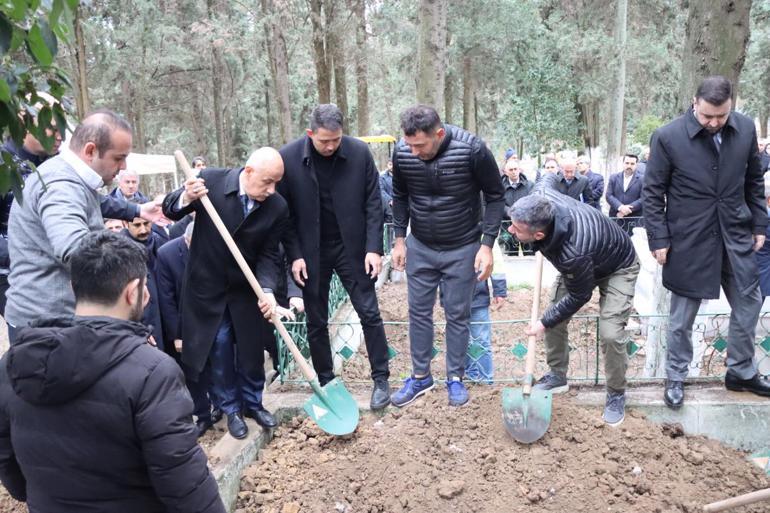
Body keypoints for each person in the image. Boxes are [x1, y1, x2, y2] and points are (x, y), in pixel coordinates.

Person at [0, 231, 225, 513]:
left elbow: (8, 463)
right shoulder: (152, 372)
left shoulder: (14, 362)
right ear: (135, 293)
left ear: (73, 287)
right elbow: (183, 482)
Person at [643, 75, 770, 409]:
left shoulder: (744, 129)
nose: (714, 123)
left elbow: (754, 182)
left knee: (750, 300)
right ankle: (675, 376)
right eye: (707, 116)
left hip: (735, 234)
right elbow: (653, 192)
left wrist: (760, 223)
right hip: (689, 240)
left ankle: (740, 371)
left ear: (732, 107)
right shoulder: (668, 137)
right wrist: (659, 237)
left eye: (721, 116)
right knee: (682, 317)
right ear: (694, 102)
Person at [163, 147, 286, 439]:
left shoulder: (277, 207)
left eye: (276, 183)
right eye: (267, 182)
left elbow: (270, 255)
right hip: (208, 289)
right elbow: (170, 209)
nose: (271, 190)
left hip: (246, 290)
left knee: (251, 350)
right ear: (249, 171)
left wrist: (267, 290)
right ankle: (230, 408)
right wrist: (186, 197)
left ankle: (253, 403)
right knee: (218, 349)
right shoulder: (211, 183)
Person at [390, 104, 504, 407]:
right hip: (421, 246)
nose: (413, 151)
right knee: (418, 313)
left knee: (457, 314)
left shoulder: (473, 149)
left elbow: (495, 196)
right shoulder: (402, 153)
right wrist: (400, 241)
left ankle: (455, 378)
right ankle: (420, 377)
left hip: (463, 246)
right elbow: (400, 197)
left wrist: (486, 245)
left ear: (438, 133)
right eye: (409, 144)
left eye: (420, 145)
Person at [278, 104, 391, 410]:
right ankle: (326, 380)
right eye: (323, 141)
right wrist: (295, 256)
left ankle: (381, 379)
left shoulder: (358, 153)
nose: (330, 147)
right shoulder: (288, 158)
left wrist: (373, 248)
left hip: (352, 248)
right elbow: (284, 215)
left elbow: (373, 203)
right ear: (310, 134)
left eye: (336, 140)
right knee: (316, 319)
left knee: (369, 313)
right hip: (311, 251)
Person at [509, 184, 639, 425]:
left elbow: (580, 296)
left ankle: (616, 393)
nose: (509, 229)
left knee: (611, 333)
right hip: (587, 260)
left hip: (618, 266)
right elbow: (549, 177)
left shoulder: (573, 252)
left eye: (516, 228)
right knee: (554, 320)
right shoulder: (541, 194)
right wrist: (548, 321)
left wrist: (542, 323)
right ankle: (558, 375)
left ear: (539, 235)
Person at [4, 109, 135, 340]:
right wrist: (130, 275)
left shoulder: (71, 178)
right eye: (118, 158)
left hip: (56, 322)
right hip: (47, 330)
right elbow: (75, 248)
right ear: (91, 150)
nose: (123, 167)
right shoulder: (61, 183)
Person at [156, 221, 221, 437]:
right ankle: (202, 415)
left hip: (211, 319)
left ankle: (221, 405)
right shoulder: (167, 255)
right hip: (184, 324)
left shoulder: (214, 248)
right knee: (193, 373)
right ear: (186, 240)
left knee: (219, 366)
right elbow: (166, 299)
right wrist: (177, 335)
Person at [121, 209, 166, 350]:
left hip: (165, 320)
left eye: (146, 224)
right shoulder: (119, 252)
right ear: (125, 224)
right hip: (142, 325)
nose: (143, 230)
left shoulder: (161, 243)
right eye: (137, 225)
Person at [499, 156, 533, 255]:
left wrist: (522, 212)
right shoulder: (499, 187)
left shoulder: (529, 185)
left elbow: (533, 202)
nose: (514, 172)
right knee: (509, 255)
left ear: (519, 170)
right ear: (505, 172)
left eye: (515, 169)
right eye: (511, 170)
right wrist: (509, 212)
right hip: (507, 225)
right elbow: (498, 203)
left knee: (530, 254)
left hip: (526, 224)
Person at [606, 154, 645, 235]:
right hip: (616, 217)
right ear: (623, 163)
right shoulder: (613, 177)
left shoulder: (643, 179)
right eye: (627, 163)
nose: (629, 166)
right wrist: (620, 207)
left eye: (632, 164)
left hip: (634, 219)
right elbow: (609, 195)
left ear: (636, 165)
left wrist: (626, 210)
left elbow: (644, 198)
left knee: (633, 244)